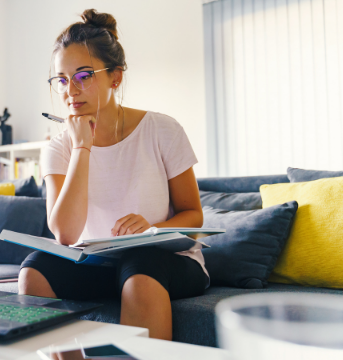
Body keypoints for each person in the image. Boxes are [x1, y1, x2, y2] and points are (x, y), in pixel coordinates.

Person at [18, 9, 208, 340]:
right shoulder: (58, 147)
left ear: (115, 77)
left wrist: (151, 229)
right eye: (61, 79)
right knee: (34, 269)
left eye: (84, 75)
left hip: (165, 261)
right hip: (98, 265)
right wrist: (82, 147)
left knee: (140, 265)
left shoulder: (162, 129)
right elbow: (64, 233)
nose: (70, 90)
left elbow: (193, 219)